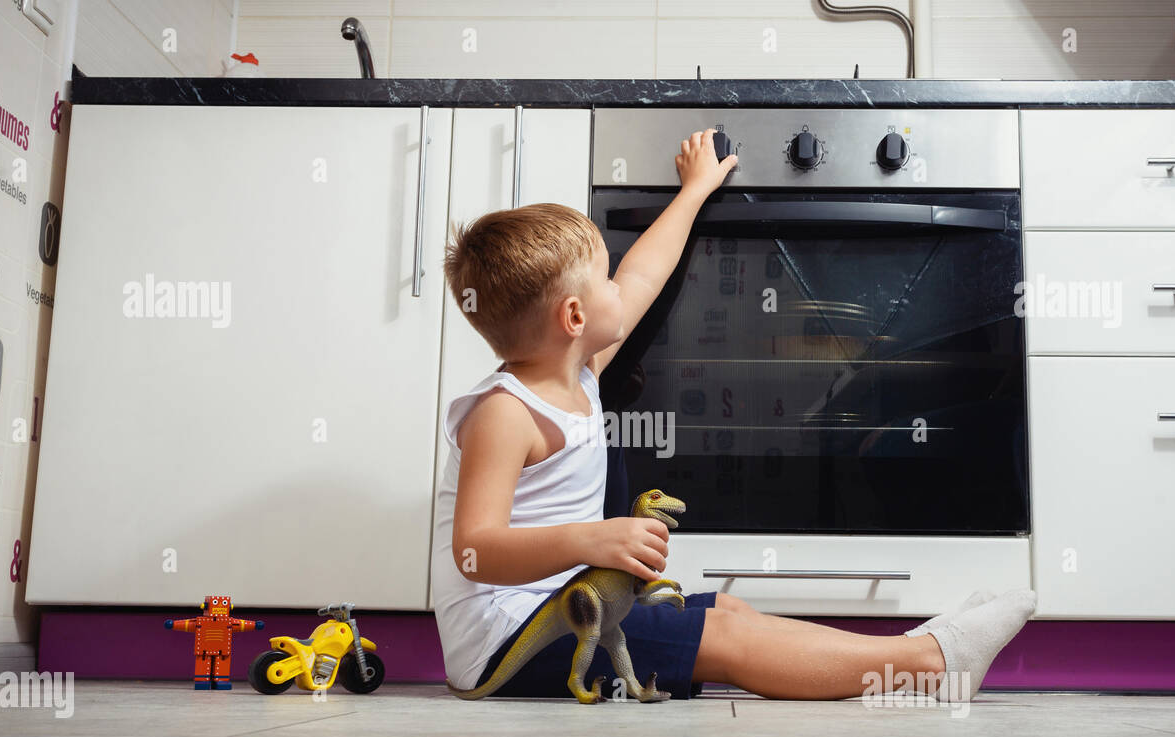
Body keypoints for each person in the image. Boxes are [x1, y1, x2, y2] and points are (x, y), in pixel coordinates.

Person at [432, 128, 1035, 703]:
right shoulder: (505, 413)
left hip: (565, 605)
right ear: (573, 318)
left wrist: (694, 190)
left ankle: (911, 651)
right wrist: (589, 538)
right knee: (722, 640)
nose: (618, 286)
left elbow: (643, 273)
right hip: (506, 642)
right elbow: (474, 552)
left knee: (725, 611)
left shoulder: (577, 371)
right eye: (602, 282)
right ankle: (934, 665)